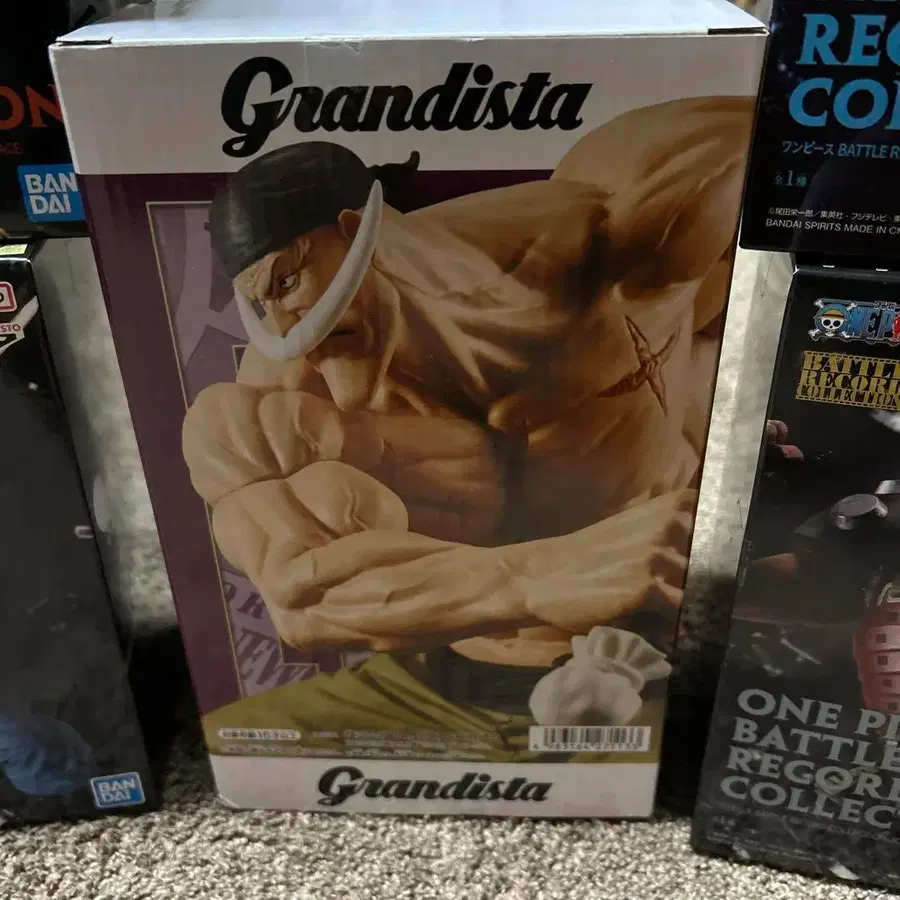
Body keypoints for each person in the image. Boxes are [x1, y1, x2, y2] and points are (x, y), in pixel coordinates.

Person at [183, 97, 754, 759]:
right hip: (445, 677)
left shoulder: (628, 224)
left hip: (670, 654)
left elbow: (806, 162)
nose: (289, 333)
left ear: (360, 231)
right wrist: (540, 576)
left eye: (286, 283)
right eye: (261, 303)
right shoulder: (281, 397)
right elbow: (304, 598)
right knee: (238, 745)